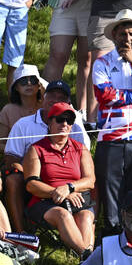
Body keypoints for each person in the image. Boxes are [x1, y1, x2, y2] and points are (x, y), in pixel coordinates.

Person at [91, 10, 132, 231]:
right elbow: (104, 96)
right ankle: (111, 241)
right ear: (114, 36)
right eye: (122, 34)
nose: (126, 39)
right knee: (111, 198)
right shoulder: (101, 63)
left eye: (131, 34)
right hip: (110, 139)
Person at [3, 79, 89, 233]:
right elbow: (11, 159)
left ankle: (96, 226)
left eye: (61, 98)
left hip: (66, 179)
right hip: (29, 178)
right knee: (13, 178)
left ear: (69, 103)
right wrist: (31, 177)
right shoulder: (23, 124)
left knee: (96, 177)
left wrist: (69, 186)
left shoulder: (74, 125)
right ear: (43, 96)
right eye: (52, 95)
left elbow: (83, 155)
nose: (55, 100)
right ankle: (21, 234)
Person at [23, 100, 94, 256]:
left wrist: (69, 188)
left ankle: (86, 259)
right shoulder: (36, 149)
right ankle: (86, 255)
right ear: (49, 122)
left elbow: (90, 180)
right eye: (60, 119)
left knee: (87, 216)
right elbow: (31, 184)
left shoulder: (80, 148)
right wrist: (59, 192)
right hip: (44, 201)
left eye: (69, 120)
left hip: (75, 199)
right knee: (63, 215)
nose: (65, 124)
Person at [0, 66, 43, 160]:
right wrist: (17, 151)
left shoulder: (46, 107)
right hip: (16, 160)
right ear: (16, 87)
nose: (29, 83)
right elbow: (1, 143)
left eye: (33, 80)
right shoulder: (8, 110)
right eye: (23, 81)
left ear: (39, 85)